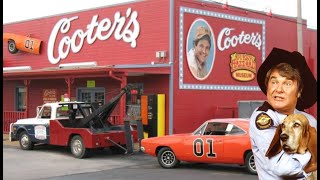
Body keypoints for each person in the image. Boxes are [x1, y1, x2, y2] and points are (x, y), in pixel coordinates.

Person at [249, 47, 317, 179]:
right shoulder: (263, 118)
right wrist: (312, 155)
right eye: (274, 82)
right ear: (267, 86)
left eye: (287, 83)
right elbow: (282, 168)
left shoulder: (310, 119)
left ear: (299, 91)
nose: (278, 89)